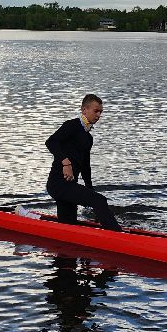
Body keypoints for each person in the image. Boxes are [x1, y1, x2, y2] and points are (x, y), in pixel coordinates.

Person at [45, 94, 122, 230]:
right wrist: (66, 163)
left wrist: (89, 188)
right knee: (100, 200)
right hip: (58, 184)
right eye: (95, 111)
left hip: (68, 185)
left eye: (100, 112)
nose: (98, 115)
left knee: (68, 228)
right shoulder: (72, 126)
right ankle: (119, 238)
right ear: (84, 110)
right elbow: (51, 142)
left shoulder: (88, 137)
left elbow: (85, 166)